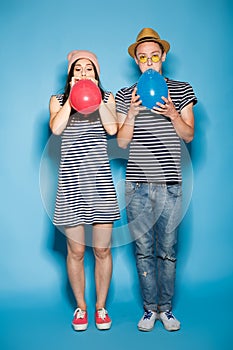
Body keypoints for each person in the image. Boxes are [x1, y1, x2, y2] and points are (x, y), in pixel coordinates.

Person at [116, 28, 197, 332]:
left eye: (154, 57)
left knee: (168, 249)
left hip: (171, 186)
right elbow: (122, 143)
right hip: (137, 186)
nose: (149, 63)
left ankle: (167, 309)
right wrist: (132, 114)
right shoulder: (126, 95)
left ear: (163, 57)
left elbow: (189, 135)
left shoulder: (182, 89)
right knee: (143, 250)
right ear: (137, 62)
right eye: (142, 58)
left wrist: (174, 114)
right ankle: (150, 309)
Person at [49, 50, 120, 331]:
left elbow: (113, 129)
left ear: (97, 74)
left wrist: (96, 97)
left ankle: (101, 308)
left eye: (89, 69)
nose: (83, 73)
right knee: (76, 251)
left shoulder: (108, 98)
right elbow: (56, 129)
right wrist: (72, 96)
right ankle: (81, 308)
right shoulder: (56, 101)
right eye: (78, 69)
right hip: (71, 185)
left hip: (100, 183)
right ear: (69, 75)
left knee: (102, 250)